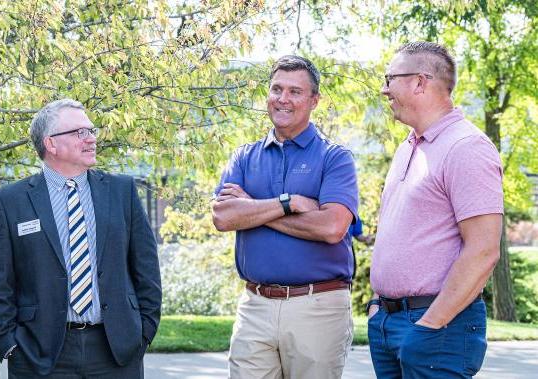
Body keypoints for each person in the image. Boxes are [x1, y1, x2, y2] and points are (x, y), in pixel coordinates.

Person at [0, 99, 162, 378]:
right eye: (80, 132)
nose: (91, 139)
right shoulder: (11, 201)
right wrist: (8, 345)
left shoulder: (122, 192)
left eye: (91, 131)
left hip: (116, 352)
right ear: (50, 144)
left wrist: (144, 331)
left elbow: (146, 268)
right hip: (39, 355)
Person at [212, 55, 358, 379]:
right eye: (276, 89)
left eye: (295, 91)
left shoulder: (335, 158)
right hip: (255, 305)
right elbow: (223, 217)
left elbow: (332, 227)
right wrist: (288, 202)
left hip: (318, 305)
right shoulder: (245, 156)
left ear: (314, 100)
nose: (283, 99)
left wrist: (251, 209)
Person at [367, 41, 503, 378]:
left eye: (390, 79)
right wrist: (376, 306)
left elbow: (484, 251)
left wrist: (429, 325)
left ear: (419, 82)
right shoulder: (408, 146)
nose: (385, 91)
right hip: (389, 322)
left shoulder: (466, 148)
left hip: (437, 327)